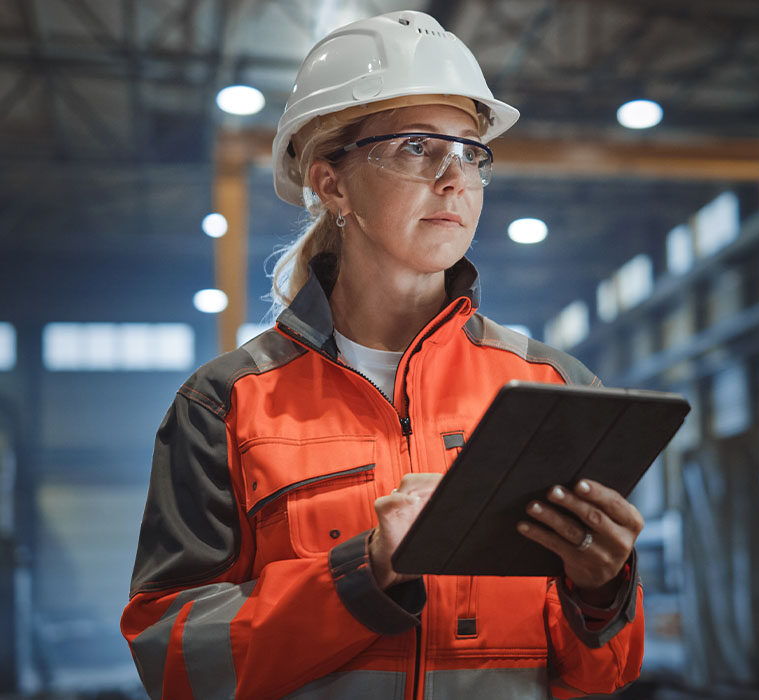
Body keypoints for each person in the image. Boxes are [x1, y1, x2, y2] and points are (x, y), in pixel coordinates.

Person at [121, 10, 645, 699]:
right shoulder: (226, 404)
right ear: (332, 183)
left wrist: (602, 591)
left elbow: (600, 677)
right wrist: (362, 573)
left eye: (470, 152)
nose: (455, 178)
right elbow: (174, 661)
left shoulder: (553, 386)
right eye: (417, 147)